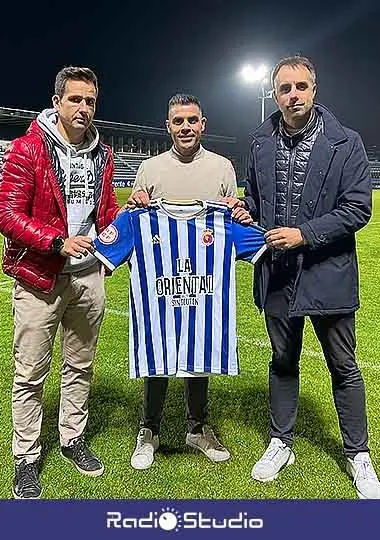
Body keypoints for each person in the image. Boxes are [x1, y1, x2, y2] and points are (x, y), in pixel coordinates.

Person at [224, 55, 380, 498]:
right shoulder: (258, 140)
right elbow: (254, 198)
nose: (292, 95)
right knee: (282, 361)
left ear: (314, 89)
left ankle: (358, 455)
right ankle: (281, 442)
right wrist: (246, 210)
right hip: (276, 274)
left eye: (301, 86)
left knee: (344, 366)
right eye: (284, 88)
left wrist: (304, 235)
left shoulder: (346, 142)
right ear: (274, 94)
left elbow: (358, 208)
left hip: (327, 272)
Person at [0, 66, 121, 499]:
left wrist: (129, 219)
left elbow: (106, 214)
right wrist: (57, 242)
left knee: (80, 366)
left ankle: (72, 439)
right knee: (30, 372)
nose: (83, 108)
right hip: (39, 278)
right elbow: (7, 217)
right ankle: (26, 459)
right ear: (57, 102)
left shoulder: (104, 154)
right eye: (75, 100)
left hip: (89, 278)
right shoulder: (26, 149)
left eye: (90, 101)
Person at [125, 93, 252, 470]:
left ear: (203, 124)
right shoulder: (150, 168)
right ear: (168, 126)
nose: (185, 128)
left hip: (205, 280)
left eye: (192, 121)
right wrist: (133, 205)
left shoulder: (223, 168)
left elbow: (236, 217)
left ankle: (197, 428)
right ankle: (149, 429)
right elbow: (136, 214)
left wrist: (242, 214)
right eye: (178, 121)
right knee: (158, 349)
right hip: (160, 278)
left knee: (201, 345)